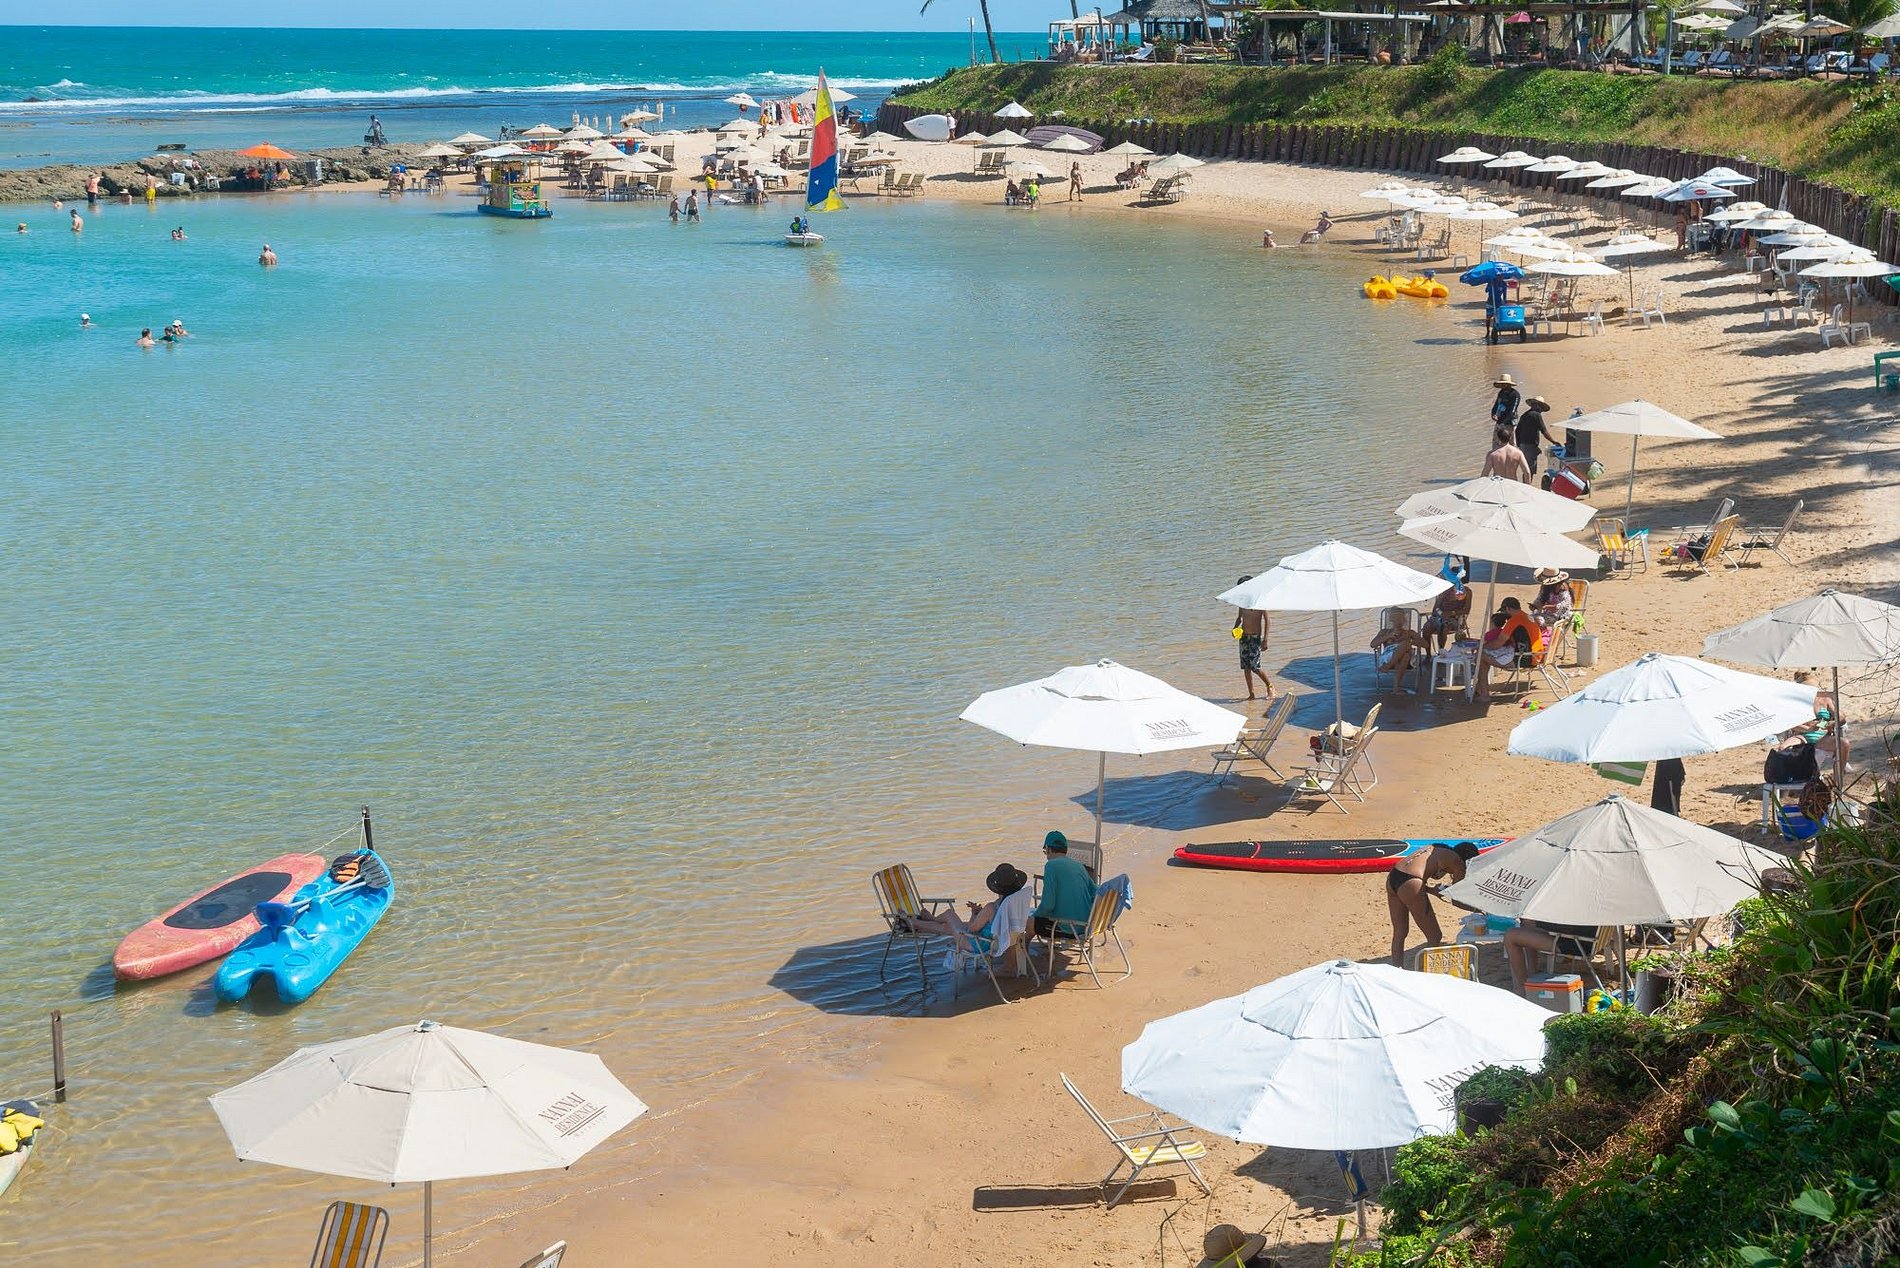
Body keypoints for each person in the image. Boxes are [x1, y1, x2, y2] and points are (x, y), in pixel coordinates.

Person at [1386, 841, 1482, 966]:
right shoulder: (1458, 862)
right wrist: (1479, 909)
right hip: (1411, 883)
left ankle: (1396, 968)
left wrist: (1432, 891)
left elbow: (1411, 878)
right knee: (1435, 936)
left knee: (1400, 932)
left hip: (1393, 877)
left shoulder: (1435, 849)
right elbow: (1457, 900)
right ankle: (1425, 972)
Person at [902, 863, 1027, 953]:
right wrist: (981, 915)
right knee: (947, 927)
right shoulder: (1013, 904)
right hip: (999, 941)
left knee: (950, 914)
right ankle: (921, 923)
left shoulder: (991, 907)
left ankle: (921, 921)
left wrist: (974, 915)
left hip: (977, 945)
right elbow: (991, 923)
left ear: (997, 886)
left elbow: (971, 929)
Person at [1471, 598, 1543, 703]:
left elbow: (1497, 643)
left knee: (1480, 656)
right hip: (1537, 655)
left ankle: (1484, 694)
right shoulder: (1527, 616)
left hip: (1526, 658)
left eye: (1504, 611)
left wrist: (1481, 647)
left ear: (1508, 609)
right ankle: (1479, 688)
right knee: (1485, 654)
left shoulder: (1514, 620)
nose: (1504, 615)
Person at [1502, 920, 1600, 992]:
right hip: (1589, 938)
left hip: (1576, 942)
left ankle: (1521, 989)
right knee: (1528, 923)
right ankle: (1532, 976)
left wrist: (1540, 921)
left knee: (1510, 936)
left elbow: (1567, 925)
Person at [1032, 831, 1096, 941]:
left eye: (1045, 851)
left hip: (1069, 928)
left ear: (1048, 849)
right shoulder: (1079, 866)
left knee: (1029, 922)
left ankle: (1024, 949)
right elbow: (1095, 891)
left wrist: (1034, 915)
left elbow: (1048, 905)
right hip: (1086, 925)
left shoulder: (1051, 866)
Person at [1230, 576, 1272, 700]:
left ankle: (1270, 686)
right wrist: (1235, 628)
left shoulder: (1260, 601)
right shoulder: (1242, 602)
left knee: (1255, 667)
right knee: (1246, 667)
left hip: (1255, 637)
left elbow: (1267, 620)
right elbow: (1239, 618)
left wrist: (1265, 639)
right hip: (1243, 637)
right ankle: (1251, 694)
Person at [1370, 610, 1426, 684]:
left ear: (1404, 620)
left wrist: (1411, 641)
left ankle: (1388, 666)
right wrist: (1388, 636)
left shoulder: (1410, 633)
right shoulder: (1385, 632)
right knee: (1405, 655)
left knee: (1406, 644)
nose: (1399, 621)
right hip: (1389, 657)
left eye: (1401, 619)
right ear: (1391, 620)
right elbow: (1373, 644)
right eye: (1396, 619)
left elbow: (1426, 645)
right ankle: (1396, 687)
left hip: (1400, 662)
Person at [1515, 395, 1561, 478]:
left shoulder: (1524, 415)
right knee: (1530, 470)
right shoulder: (1536, 415)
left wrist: (1519, 445)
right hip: (1530, 447)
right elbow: (1544, 431)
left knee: (1526, 469)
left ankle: (1525, 484)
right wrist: (1553, 441)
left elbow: (1517, 431)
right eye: (1541, 408)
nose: (1541, 410)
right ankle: (1527, 485)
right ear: (1537, 406)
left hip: (1522, 446)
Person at [1422, 581, 1471, 653]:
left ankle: (1441, 651)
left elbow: (1466, 610)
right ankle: (1428, 654)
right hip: (1439, 616)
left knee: (1443, 626)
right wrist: (1441, 614)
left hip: (1455, 618)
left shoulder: (1467, 592)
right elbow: (1435, 609)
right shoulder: (1444, 591)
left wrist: (1452, 613)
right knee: (1426, 628)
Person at [1529, 568, 1572, 635]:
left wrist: (1548, 607)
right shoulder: (1545, 587)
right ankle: (1541, 635)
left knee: (1537, 619)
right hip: (1546, 613)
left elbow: (1565, 605)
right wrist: (1534, 605)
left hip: (1560, 615)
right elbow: (1539, 599)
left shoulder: (1562, 587)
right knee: (1528, 618)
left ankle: (1542, 636)